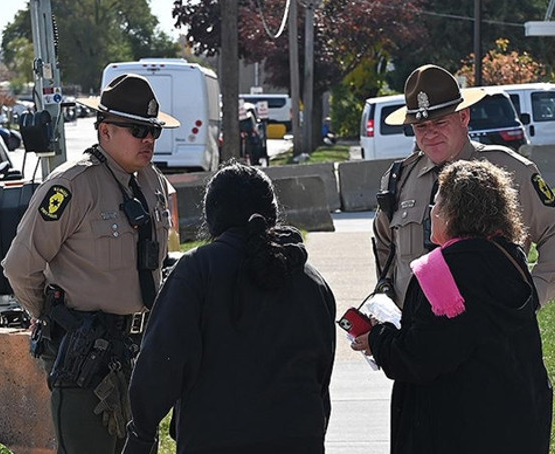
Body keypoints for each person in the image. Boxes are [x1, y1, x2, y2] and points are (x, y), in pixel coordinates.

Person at [1, 73, 178, 454]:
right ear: (105, 131)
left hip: (139, 350)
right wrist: (49, 315)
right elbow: (19, 265)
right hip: (86, 355)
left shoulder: (152, 183)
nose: (148, 140)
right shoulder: (72, 185)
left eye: (153, 131)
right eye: (137, 130)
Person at [123, 162, 336, 453]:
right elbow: (321, 377)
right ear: (272, 214)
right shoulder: (311, 281)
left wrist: (141, 435)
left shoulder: (196, 271)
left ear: (212, 216)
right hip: (300, 438)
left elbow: (159, 365)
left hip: (214, 440)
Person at [353, 160, 552, 453]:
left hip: (458, 429)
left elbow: (422, 356)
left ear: (454, 212)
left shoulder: (442, 271)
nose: (431, 212)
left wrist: (378, 339)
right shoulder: (511, 259)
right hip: (517, 422)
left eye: (436, 203)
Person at [373, 64, 555, 308]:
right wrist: (387, 300)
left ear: (463, 117)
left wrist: (534, 294)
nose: (430, 134)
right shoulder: (400, 178)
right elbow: (384, 245)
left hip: (490, 333)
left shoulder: (511, 170)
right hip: (418, 336)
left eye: (439, 123)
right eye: (421, 127)